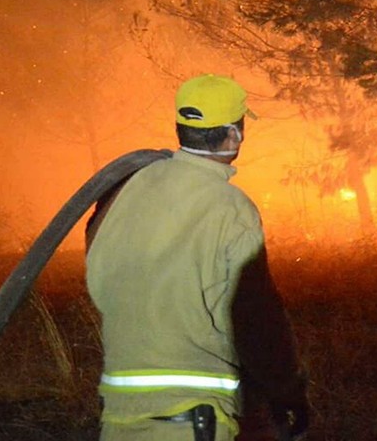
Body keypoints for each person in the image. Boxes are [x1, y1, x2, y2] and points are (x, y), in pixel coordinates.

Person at [85, 74, 307, 440]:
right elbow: (254, 315)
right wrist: (287, 392)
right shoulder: (230, 208)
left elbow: (101, 270)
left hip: (118, 417)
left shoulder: (124, 190)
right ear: (233, 135)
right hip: (192, 420)